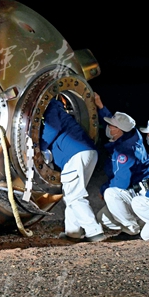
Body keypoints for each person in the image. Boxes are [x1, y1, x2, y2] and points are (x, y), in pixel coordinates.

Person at [40, 96, 107, 243]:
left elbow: (52, 128)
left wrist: (41, 147)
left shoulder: (52, 107)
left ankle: (94, 231)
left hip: (76, 155)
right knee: (70, 194)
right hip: (86, 153)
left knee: (74, 196)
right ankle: (73, 232)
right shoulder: (59, 110)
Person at [93, 93, 149, 241]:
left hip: (141, 193)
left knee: (110, 194)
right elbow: (115, 122)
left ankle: (132, 230)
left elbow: (121, 182)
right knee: (103, 218)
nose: (108, 128)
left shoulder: (126, 151)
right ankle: (142, 222)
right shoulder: (129, 134)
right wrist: (100, 106)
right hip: (138, 190)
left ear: (119, 130)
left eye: (111, 126)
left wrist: (104, 189)